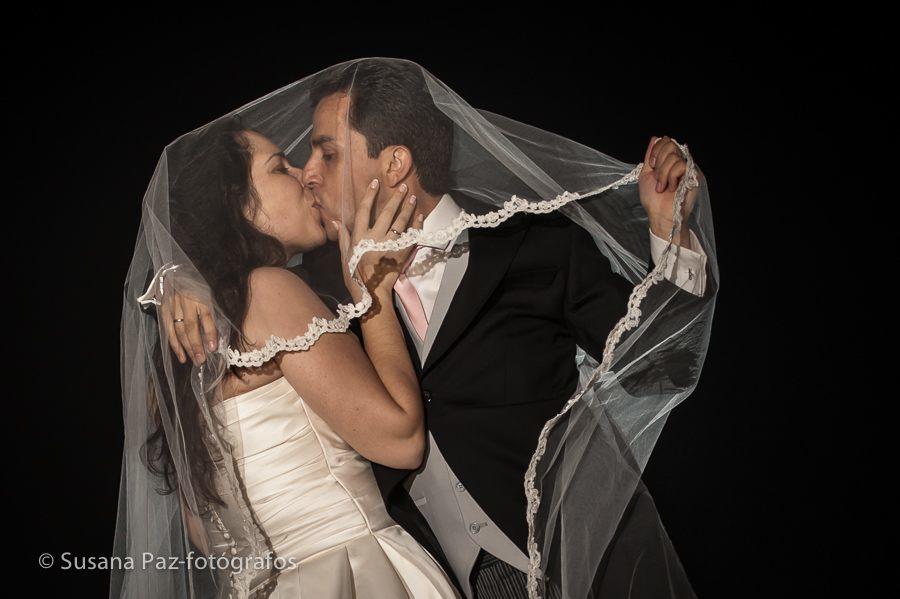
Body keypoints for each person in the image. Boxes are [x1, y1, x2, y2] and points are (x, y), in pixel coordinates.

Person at [165, 59, 713, 598]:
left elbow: (659, 371)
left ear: (396, 163)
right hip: (436, 578)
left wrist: (670, 236)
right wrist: (186, 280)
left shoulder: (533, 244)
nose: (309, 172)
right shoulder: (319, 293)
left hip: (593, 564)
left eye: (327, 153)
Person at [121, 116, 463, 598]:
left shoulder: (176, 350)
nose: (305, 174)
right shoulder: (270, 292)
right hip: (356, 573)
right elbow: (400, 439)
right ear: (236, 205)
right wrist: (374, 296)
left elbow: (204, 532)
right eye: (280, 167)